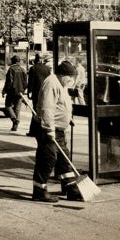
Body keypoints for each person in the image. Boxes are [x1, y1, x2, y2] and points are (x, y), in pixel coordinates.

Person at [32, 60, 82, 202]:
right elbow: (47, 108)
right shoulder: (51, 83)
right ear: (64, 75)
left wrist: (68, 119)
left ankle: (70, 188)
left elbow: (61, 105)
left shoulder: (60, 84)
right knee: (47, 158)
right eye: (71, 79)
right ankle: (39, 190)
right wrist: (49, 129)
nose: (71, 82)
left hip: (58, 128)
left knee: (64, 159)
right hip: (48, 129)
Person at [25, 54, 51, 136]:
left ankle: (33, 131)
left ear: (35, 60)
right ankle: (42, 130)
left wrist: (29, 92)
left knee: (35, 111)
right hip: (46, 92)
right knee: (44, 110)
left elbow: (31, 82)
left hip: (36, 93)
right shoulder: (47, 68)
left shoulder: (33, 68)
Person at [2, 55, 27, 131]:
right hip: (20, 92)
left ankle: (14, 119)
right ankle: (15, 125)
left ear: (13, 61)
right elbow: (25, 82)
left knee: (8, 106)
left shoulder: (11, 69)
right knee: (17, 109)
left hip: (12, 92)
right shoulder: (23, 69)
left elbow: (9, 82)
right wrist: (23, 90)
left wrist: (4, 90)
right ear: (19, 61)